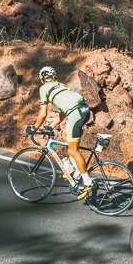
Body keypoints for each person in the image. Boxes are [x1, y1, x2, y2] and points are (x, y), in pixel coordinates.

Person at [27, 65, 94, 199]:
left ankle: (87, 182)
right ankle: (75, 169)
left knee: (73, 151)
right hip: (83, 110)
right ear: (54, 77)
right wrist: (51, 126)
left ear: (41, 80)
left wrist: (34, 128)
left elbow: (43, 113)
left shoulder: (43, 88)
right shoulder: (61, 86)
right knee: (64, 135)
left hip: (76, 114)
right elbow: (64, 112)